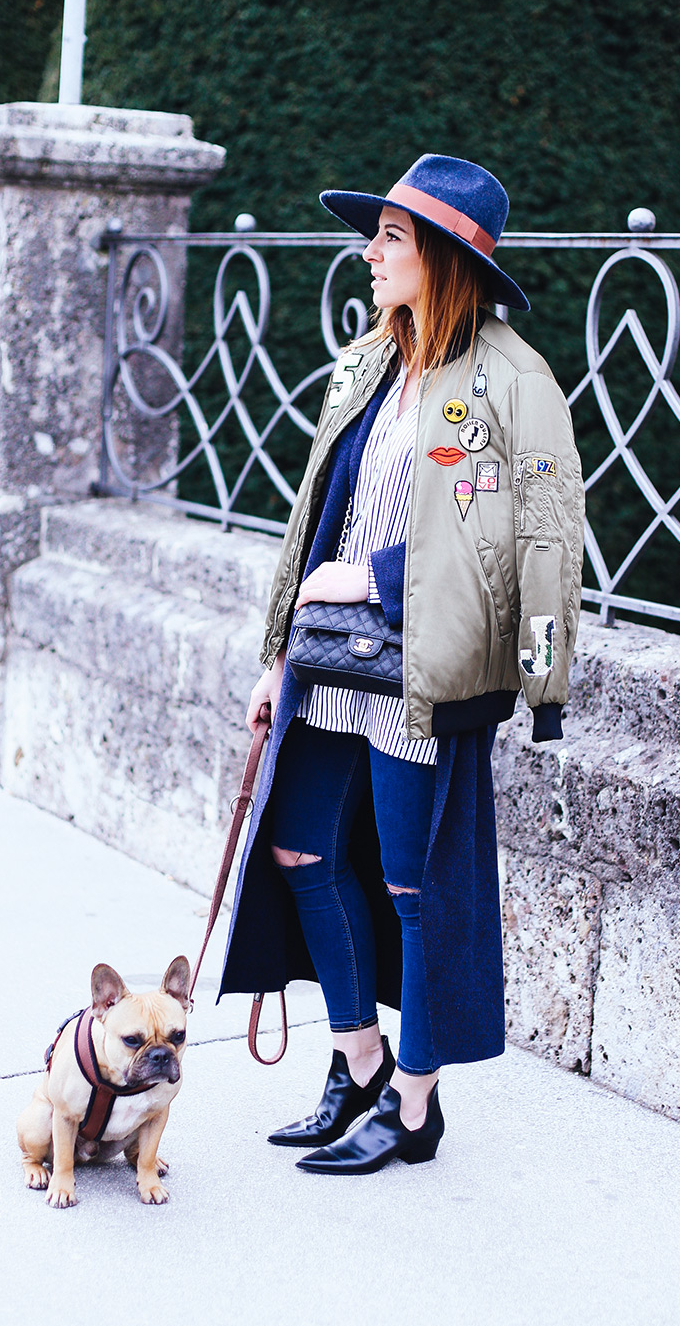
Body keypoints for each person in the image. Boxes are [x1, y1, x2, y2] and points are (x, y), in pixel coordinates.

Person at [218, 153, 584, 1175]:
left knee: (414, 886)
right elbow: (310, 524)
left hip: (428, 672)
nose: (369, 252)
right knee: (296, 852)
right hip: (330, 663)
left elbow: (535, 537)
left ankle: (414, 1111)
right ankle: (358, 1061)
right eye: (373, 234)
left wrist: (373, 578)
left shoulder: (511, 380)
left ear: (445, 258)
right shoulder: (368, 360)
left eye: (390, 238)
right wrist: (275, 658)